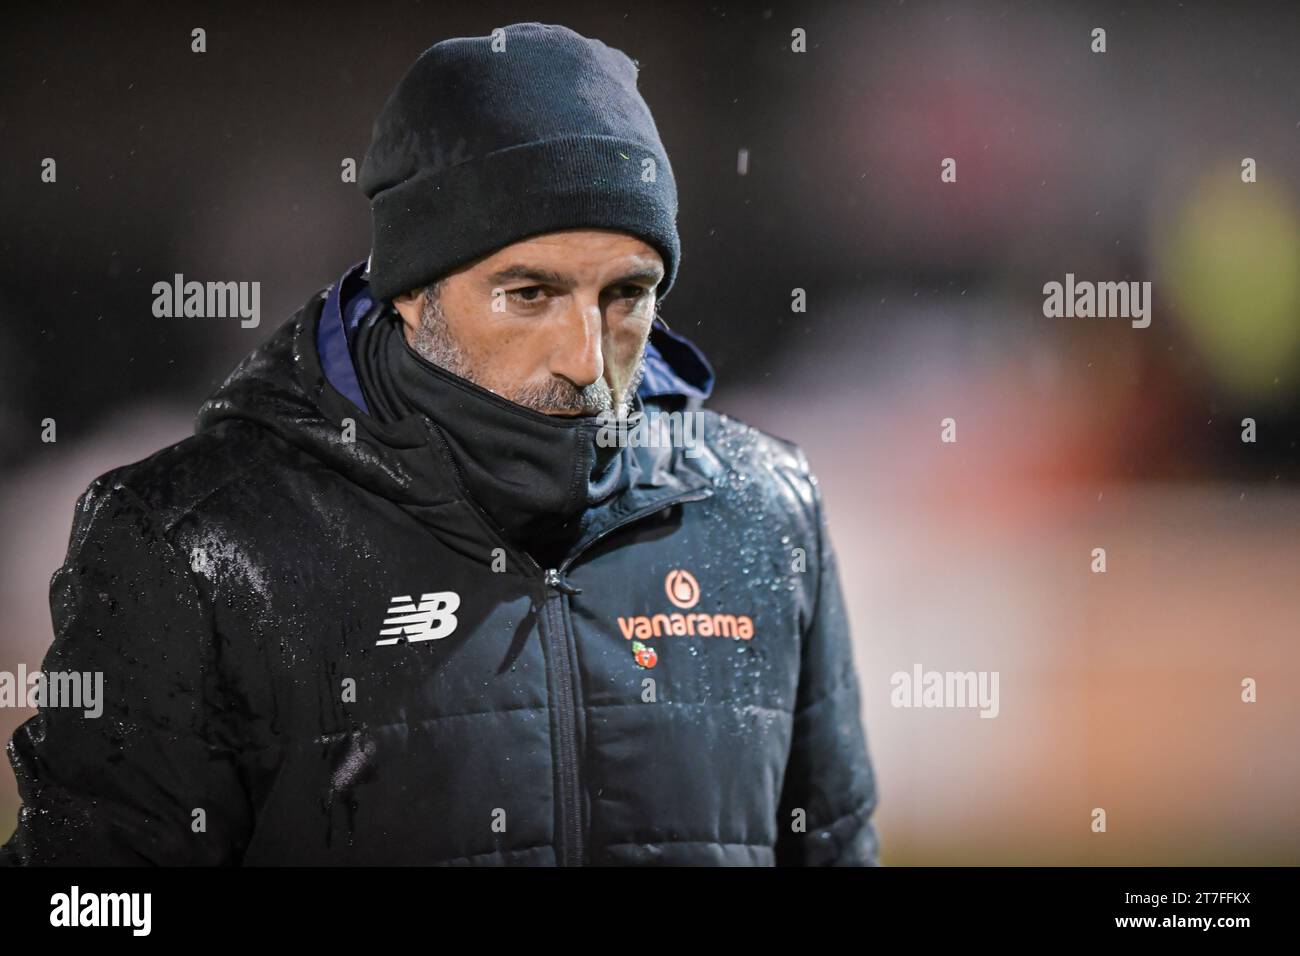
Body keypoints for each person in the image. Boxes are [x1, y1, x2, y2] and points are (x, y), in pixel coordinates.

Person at [1, 21, 879, 866]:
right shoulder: (193, 545)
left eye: (627, 293)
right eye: (529, 293)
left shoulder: (767, 510)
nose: (585, 356)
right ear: (414, 291)